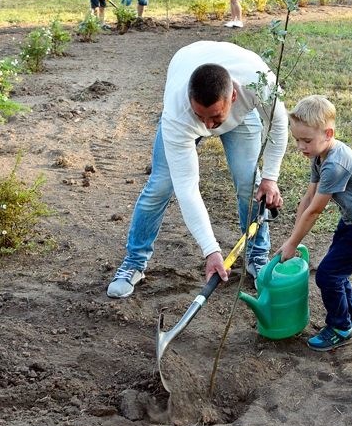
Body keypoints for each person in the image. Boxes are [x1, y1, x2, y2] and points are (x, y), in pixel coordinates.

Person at [107, 41, 289, 299]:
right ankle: (134, 262)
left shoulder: (259, 83)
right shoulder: (178, 114)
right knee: (160, 185)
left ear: (233, 97)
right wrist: (211, 250)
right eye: (200, 116)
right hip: (188, 68)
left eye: (214, 117)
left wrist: (270, 178)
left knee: (251, 183)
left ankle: (257, 256)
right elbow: (187, 189)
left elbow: (279, 124)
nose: (207, 126)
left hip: (240, 109)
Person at [273, 96, 352, 351]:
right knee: (335, 271)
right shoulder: (320, 156)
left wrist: (292, 244)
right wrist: (292, 240)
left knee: (328, 274)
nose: (301, 146)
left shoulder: (335, 163)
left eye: (306, 140)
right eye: (297, 139)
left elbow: (315, 210)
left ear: (328, 133)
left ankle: (341, 328)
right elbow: (308, 199)